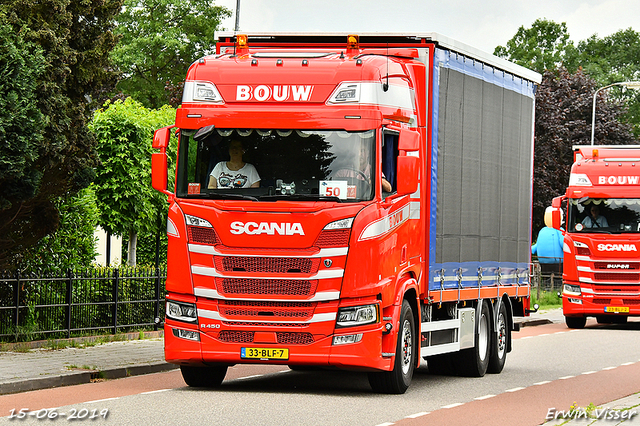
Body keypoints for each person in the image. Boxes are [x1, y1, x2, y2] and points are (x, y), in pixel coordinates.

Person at [531, 207, 564, 274]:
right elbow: (563, 244)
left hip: (543, 261)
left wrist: (530, 251)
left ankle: (547, 283)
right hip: (557, 262)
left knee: (546, 277)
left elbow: (537, 245)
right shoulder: (560, 230)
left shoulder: (542, 231)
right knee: (558, 278)